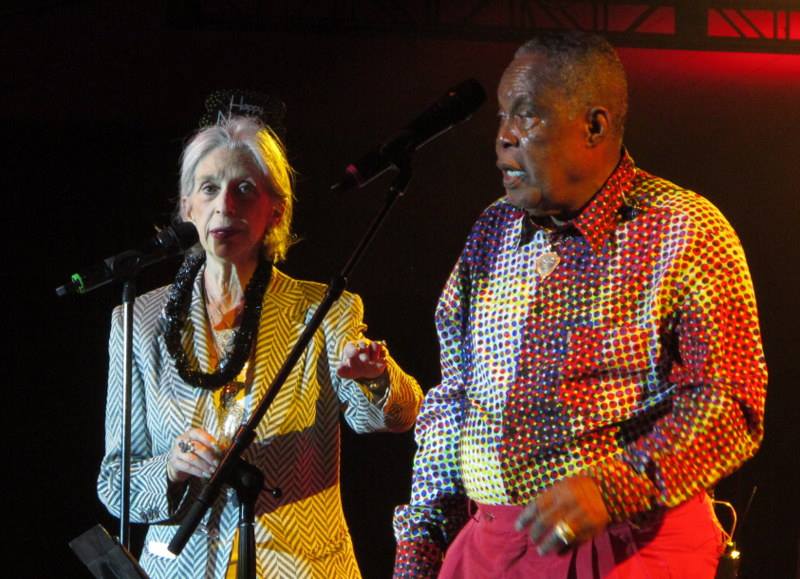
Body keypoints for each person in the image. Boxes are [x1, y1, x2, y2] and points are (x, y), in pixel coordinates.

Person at [393, 31, 767, 578]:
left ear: (594, 126)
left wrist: (616, 485)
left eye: (527, 117)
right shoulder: (493, 230)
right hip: (490, 548)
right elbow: (453, 401)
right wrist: (421, 551)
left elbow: (731, 402)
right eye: (501, 117)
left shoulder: (682, 229)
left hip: (628, 545)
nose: (502, 137)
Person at [97, 115, 423, 578]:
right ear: (186, 206)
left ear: (276, 210)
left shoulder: (323, 308)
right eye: (209, 188)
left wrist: (374, 379)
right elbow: (115, 484)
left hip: (300, 566)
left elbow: (398, 414)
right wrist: (170, 469)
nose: (224, 206)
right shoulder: (138, 322)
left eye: (245, 189)